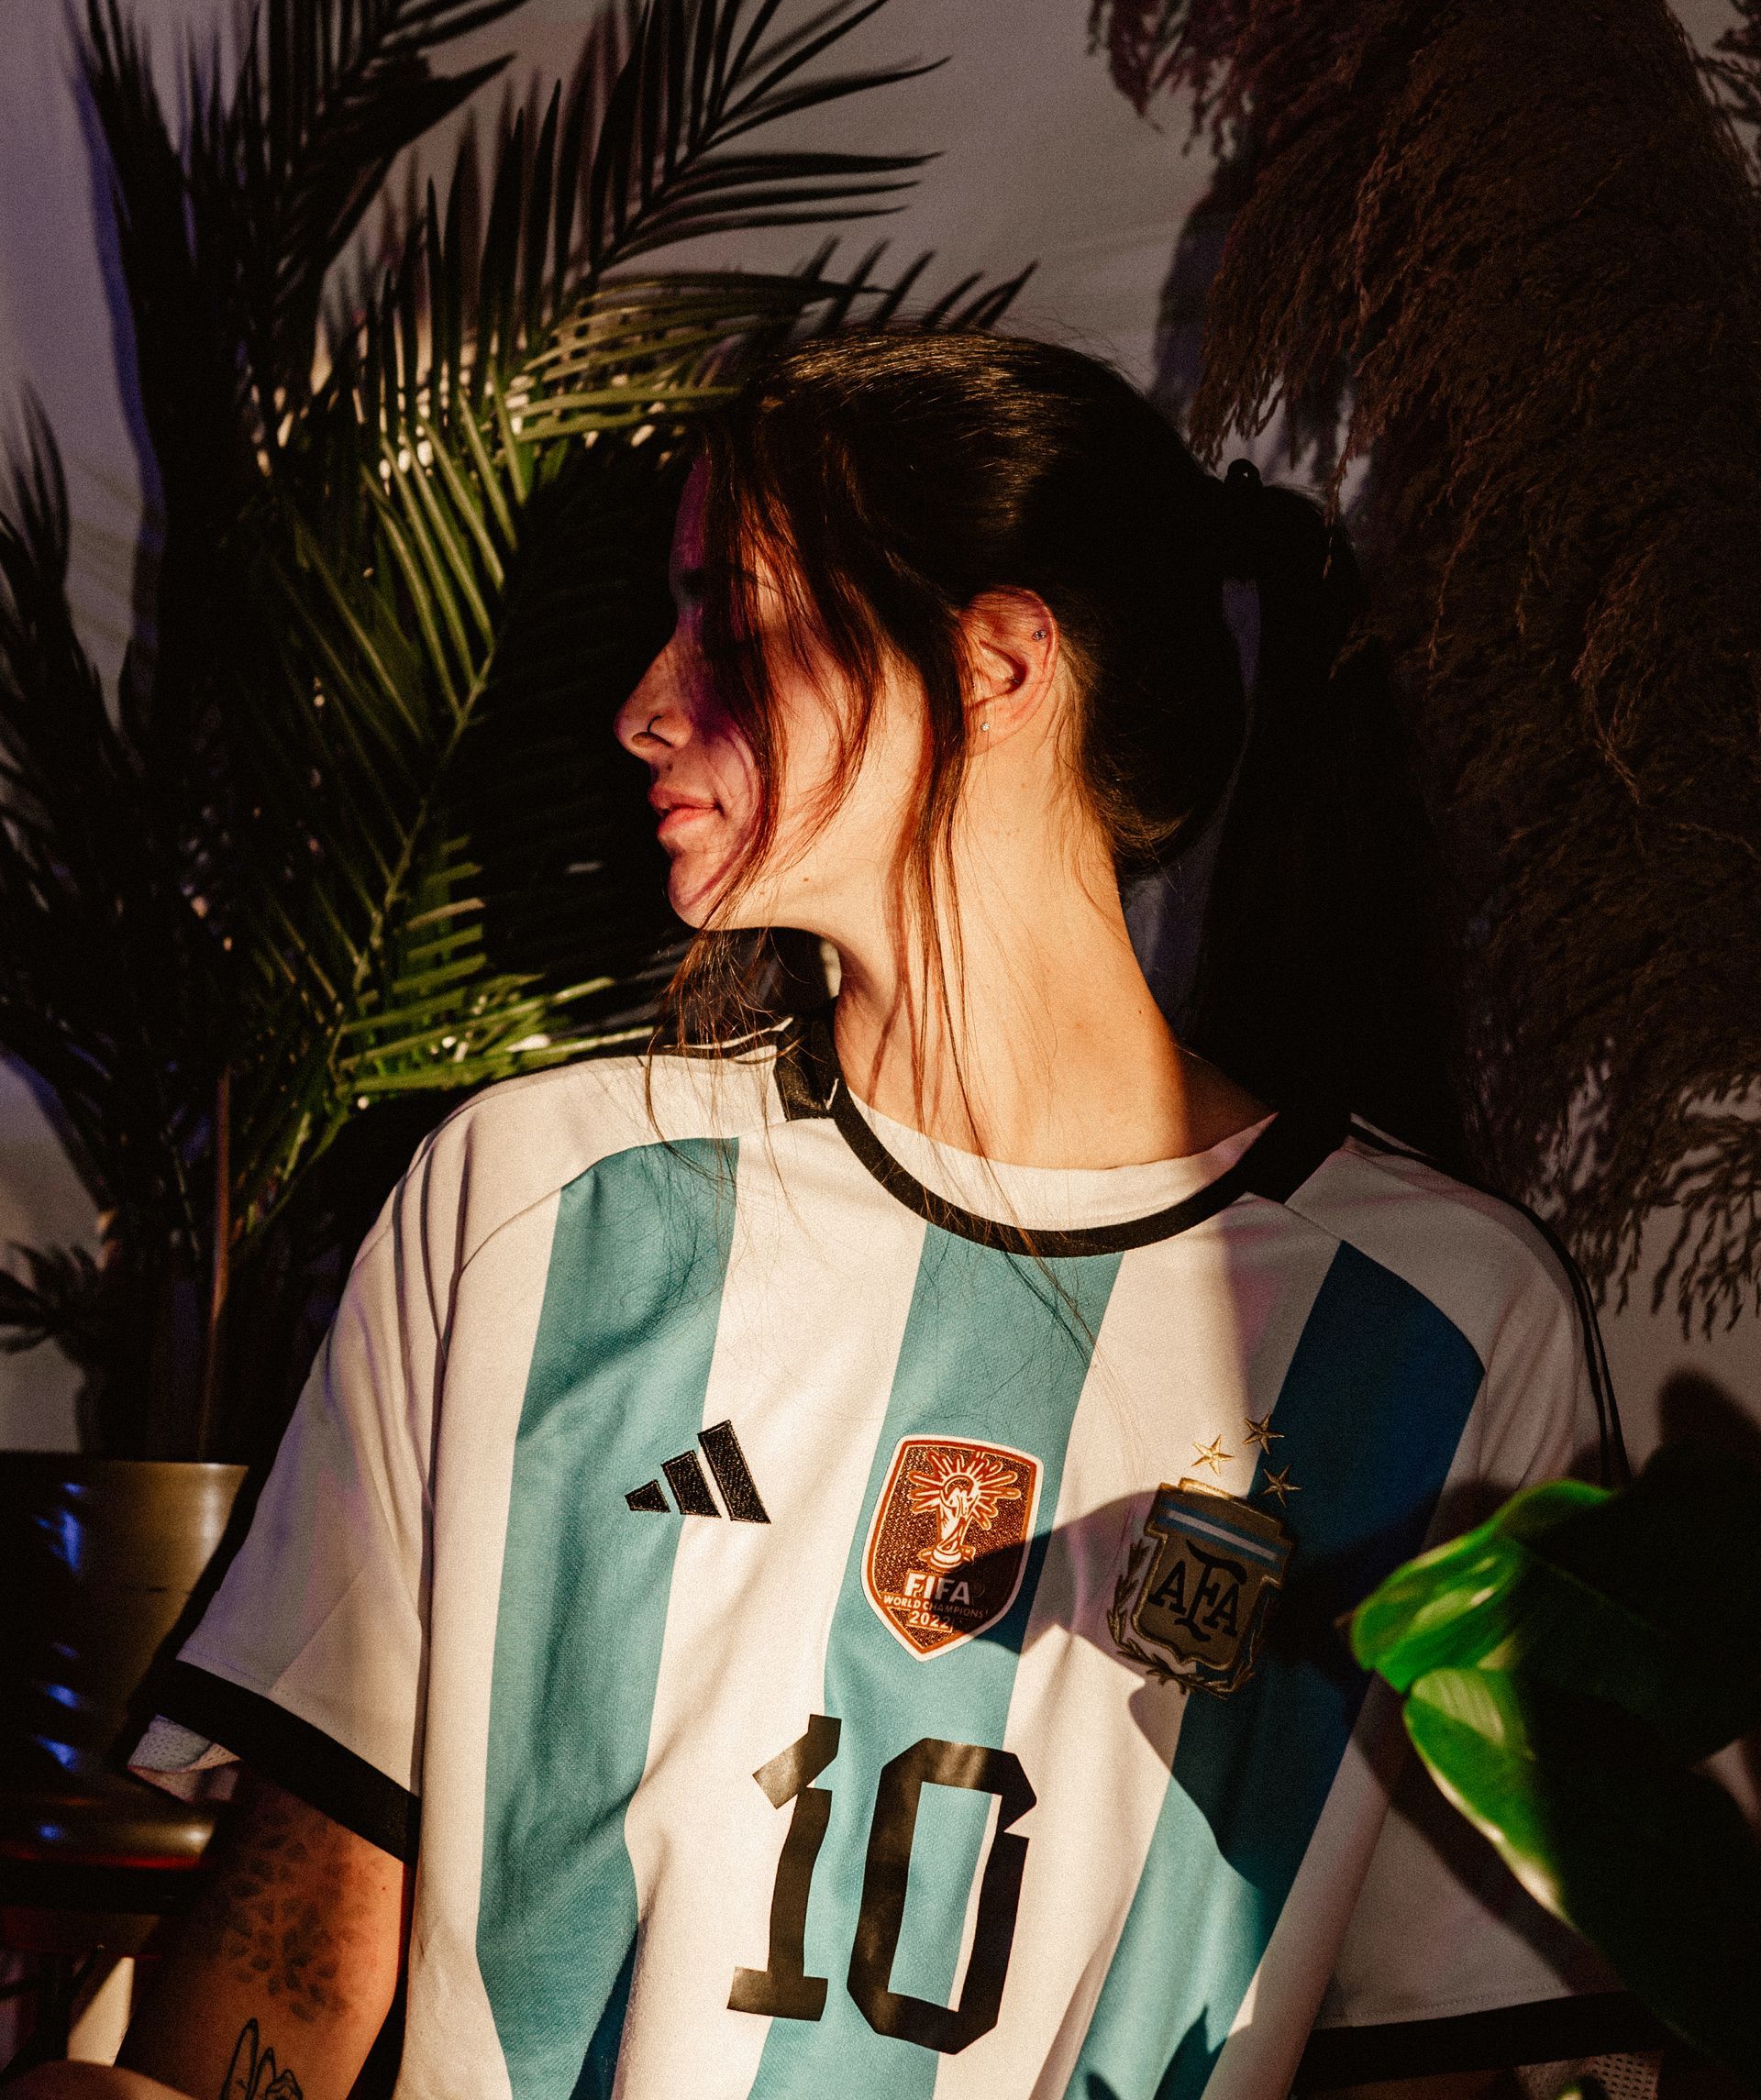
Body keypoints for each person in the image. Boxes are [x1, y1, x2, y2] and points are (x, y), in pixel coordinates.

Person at [23, 331, 1631, 2100]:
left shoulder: (1446, 1326)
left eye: (727, 616)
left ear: (999, 663)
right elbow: (311, 1923)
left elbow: (1459, 2047)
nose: (645, 701)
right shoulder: (527, 1201)